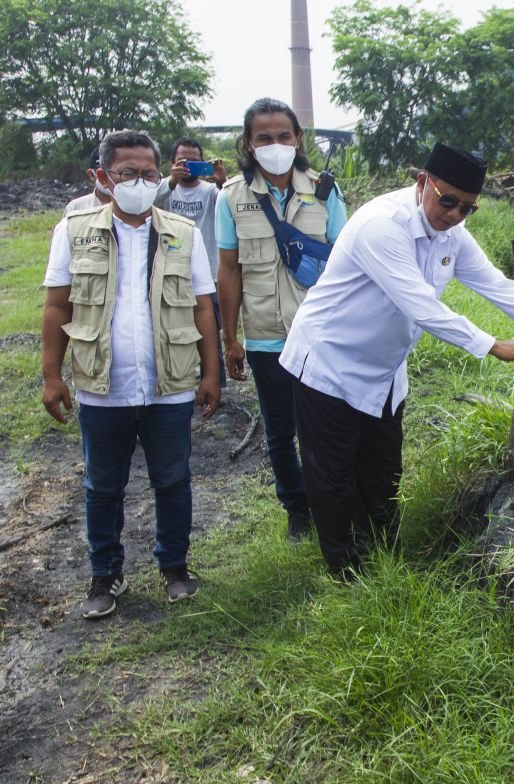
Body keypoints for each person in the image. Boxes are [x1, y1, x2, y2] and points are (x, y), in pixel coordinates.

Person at [279, 142, 514, 576]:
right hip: (330, 361)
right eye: (448, 202)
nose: (456, 215)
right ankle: (344, 573)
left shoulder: (452, 233)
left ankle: (382, 558)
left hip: (383, 370)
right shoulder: (381, 226)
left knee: (383, 472)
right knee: (332, 476)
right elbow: (421, 306)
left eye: (467, 208)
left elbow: (495, 284)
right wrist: (492, 345)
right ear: (422, 182)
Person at [40, 130, 220, 619]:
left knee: (173, 479)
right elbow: (57, 307)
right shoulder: (74, 230)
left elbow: (204, 306)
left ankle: (175, 568)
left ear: (159, 175)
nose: (138, 182)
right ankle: (105, 574)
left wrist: (212, 371)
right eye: (126, 174)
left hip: (170, 384)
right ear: (103, 177)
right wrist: (51, 376)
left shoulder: (181, 233)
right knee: (103, 485)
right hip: (102, 386)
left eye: (147, 173)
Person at [216, 98, 347, 539]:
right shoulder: (231, 196)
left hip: (318, 336)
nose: (275, 144)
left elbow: (346, 264)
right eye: (264, 137)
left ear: (298, 139)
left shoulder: (324, 191)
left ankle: (328, 501)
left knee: (322, 426)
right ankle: (296, 509)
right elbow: (229, 269)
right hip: (265, 336)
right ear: (249, 145)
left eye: (283, 136)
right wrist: (230, 337)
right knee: (279, 430)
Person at [165, 136, 227, 386]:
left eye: (195, 161)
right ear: (172, 162)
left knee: (210, 331)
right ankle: (178, 380)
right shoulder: (165, 189)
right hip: (173, 272)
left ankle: (215, 381)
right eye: (183, 160)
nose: (189, 165)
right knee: (173, 330)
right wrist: (171, 180)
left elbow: (230, 205)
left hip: (209, 273)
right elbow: (150, 205)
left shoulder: (211, 192)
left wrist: (222, 181)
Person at [63, 147, 108, 214]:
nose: (111, 178)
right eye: (104, 174)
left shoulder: (128, 207)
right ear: (92, 175)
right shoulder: (75, 208)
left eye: (119, 172)